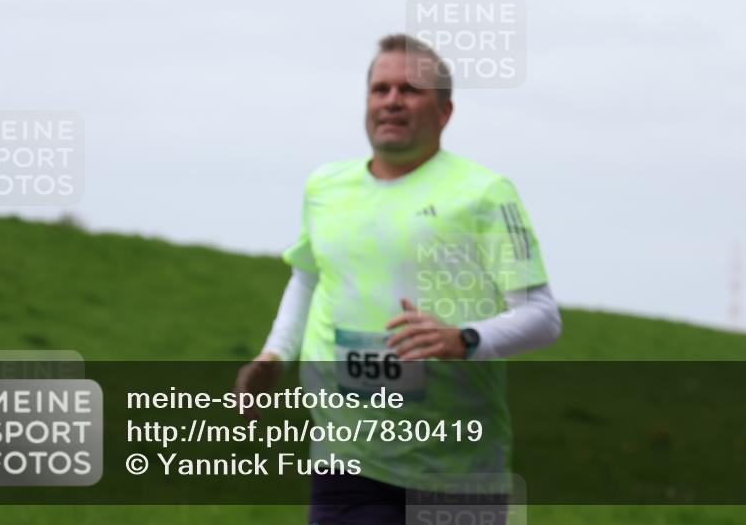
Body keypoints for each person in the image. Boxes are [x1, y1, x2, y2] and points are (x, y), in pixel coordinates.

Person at [235, 33, 562, 525]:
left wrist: (465, 340)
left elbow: (543, 317)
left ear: (445, 111)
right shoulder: (326, 187)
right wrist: (275, 354)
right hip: (346, 457)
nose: (391, 100)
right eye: (380, 89)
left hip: (455, 467)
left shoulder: (484, 194)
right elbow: (307, 277)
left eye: (410, 89)